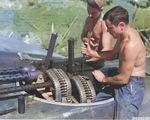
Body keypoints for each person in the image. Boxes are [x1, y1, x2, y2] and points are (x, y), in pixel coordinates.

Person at [81, 6, 146, 119]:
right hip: (120, 79)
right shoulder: (123, 36)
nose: (108, 32)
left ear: (121, 25)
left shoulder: (130, 45)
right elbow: (111, 55)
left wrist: (103, 79)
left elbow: (124, 79)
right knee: (94, 104)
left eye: (110, 28)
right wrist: (91, 53)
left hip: (131, 86)